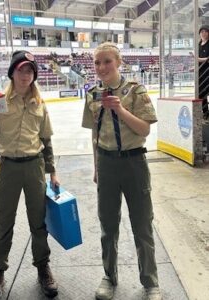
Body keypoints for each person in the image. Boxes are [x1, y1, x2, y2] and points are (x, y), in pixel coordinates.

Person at [0, 50, 60, 300]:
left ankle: (43, 268)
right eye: (22, 69)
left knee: (39, 222)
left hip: (34, 166)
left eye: (30, 70)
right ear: (12, 72)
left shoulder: (39, 103)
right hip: (9, 168)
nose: (26, 74)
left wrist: (53, 172)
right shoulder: (0, 100)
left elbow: (46, 140)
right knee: (4, 222)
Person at [82, 42, 162, 300]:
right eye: (97, 62)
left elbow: (144, 130)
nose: (102, 67)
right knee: (108, 225)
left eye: (107, 61)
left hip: (133, 162)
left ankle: (150, 282)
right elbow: (94, 133)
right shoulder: (92, 93)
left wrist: (120, 109)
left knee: (142, 225)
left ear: (118, 62)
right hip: (106, 164)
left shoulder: (135, 91)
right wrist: (96, 167)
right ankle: (109, 276)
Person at [198, 25, 209, 118]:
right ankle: (205, 112)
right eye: (202, 31)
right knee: (201, 94)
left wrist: (198, 59)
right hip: (200, 74)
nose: (203, 33)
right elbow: (197, 61)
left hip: (208, 73)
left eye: (205, 31)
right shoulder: (198, 44)